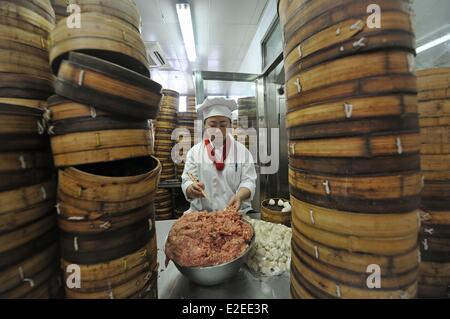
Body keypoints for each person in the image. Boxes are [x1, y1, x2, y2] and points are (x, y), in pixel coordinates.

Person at [181, 97, 257, 214]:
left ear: (230, 125)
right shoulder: (194, 152)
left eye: (223, 125)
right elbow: (187, 180)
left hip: (235, 214)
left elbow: (249, 181)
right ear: (205, 126)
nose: (218, 130)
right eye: (212, 125)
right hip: (203, 214)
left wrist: (239, 196)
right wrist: (191, 188)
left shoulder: (242, 152)